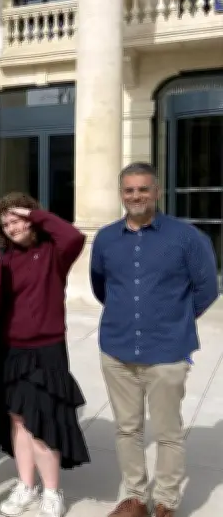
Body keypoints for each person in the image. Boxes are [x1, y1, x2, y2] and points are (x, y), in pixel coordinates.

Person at [90, 162, 218, 517]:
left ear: (157, 192)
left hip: (167, 351)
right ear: (121, 194)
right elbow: (102, 286)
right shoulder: (105, 238)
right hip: (117, 350)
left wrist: (174, 317)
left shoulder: (187, 237)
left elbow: (207, 288)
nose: (136, 196)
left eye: (143, 189)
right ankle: (134, 497)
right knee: (127, 429)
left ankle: (166, 501)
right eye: (129, 190)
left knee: (168, 431)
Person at [0, 193, 90, 517]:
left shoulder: (53, 253)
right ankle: (26, 485)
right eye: (5, 224)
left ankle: (51, 491)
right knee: (18, 421)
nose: (11, 227)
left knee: (43, 421)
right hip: (12, 348)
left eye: (16, 219)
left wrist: (35, 214)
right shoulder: (3, 258)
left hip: (46, 348)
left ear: (30, 217)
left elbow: (74, 236)